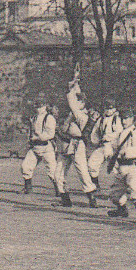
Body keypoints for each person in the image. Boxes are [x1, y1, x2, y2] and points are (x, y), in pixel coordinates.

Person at [58, 77, 98, 207]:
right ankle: (65, 199)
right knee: (58, 172)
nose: (75, 102)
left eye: (78, 100)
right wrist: (75, 84)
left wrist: (72, 89)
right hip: (66, 144)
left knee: (82, 170)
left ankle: (91, 195)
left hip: (77, 145)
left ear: (82, 103)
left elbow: (72, 102)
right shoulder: (74, 113)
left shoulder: (81, 115)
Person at [107, 108, 136, 224]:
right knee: (114, 194)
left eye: (127, 118)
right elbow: (114, 147)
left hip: (133, 165)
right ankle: (122, 210)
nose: (124, 121)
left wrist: (126, 153)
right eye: (122, 118)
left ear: (132, 119)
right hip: (122, 167)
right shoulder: (120, 133)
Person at [21, 97, 65, 202]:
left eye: (40, 106)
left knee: (52, 170)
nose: (38, 108)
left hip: (46, 146)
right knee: (25, 166)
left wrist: (38, 137)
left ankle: (59, 189)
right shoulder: (34, 117)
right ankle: (28, 187)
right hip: (35, 146)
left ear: (45, 106)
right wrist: (30, 140)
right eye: (36, 106)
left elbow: (50, 134)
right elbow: (31, 131)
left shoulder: (49, 118)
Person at [87, 99, 123, 189]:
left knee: (118, 168)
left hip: (113, 146)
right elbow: (94, 132)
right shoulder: (101, 119)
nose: (108, 111)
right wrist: (95, 141)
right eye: (107, 108)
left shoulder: (117, 119)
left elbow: (120, 132)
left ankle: (124, 187)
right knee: (92, 164)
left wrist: (108, 137)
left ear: (114, 109)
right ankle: (95, 185)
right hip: (103, 145)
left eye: (111, 108)